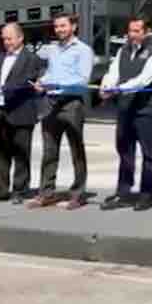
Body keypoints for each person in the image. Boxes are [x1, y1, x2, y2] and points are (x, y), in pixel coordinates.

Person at [99, 15, 152, 212]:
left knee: (148, 154)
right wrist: (107, 85)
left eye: (137, 31)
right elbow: (113, 72)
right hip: (125, 109)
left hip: (146, 111)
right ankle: (123, 192)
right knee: (125, 151)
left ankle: (147, 195)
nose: (132, 35)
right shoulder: (123, 50)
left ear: (146, 32)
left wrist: (118, 89)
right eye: (130, 31)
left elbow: (143, 80)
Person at [28, 13, 94, 210]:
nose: (59, 30)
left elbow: (83, 79)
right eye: (56, 26)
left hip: (72, 104)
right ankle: (46, 193)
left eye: (63, 26)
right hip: (51, 103)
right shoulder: (53, 50)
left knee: (76, 149)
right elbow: (50, 73)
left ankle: (78, 195)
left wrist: (56, 84)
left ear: (73, 27)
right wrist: (42, 82)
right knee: (49, 150)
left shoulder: (83, 50)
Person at [0, 23, 43, 205]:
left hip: (21, 111)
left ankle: (20, 190)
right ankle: (0, 190)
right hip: (0, 111)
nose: (6, 42)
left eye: (9, 38)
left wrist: (4, 88)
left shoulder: (32, 59)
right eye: (4, 39)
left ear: (20, 37)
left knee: (21, 153)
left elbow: (27, 81)